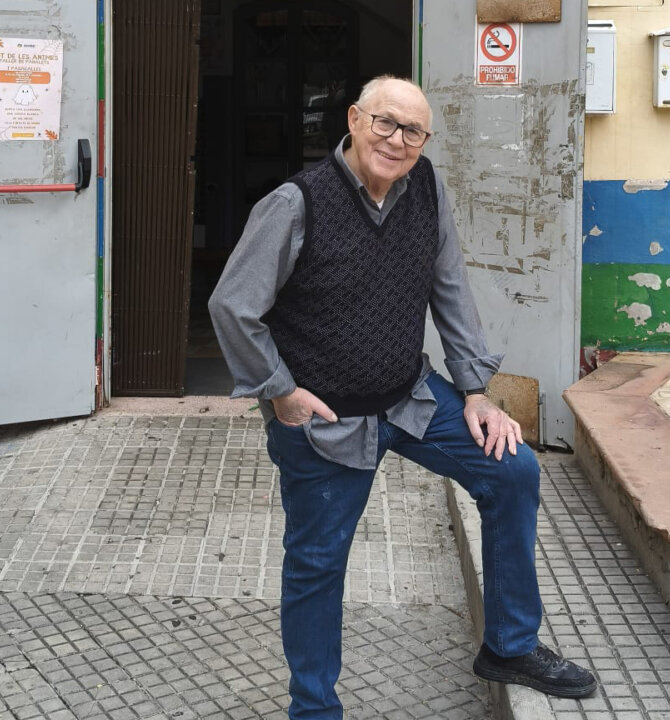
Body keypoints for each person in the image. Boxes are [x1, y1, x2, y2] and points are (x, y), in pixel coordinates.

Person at [208, 75, 597, 719]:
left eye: (412, 130)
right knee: (317, 564)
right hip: (326, 419)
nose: (396, 140)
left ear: (425, 141)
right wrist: (279, 393)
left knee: (514, 471)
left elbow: (450, 289)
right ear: (356, 121)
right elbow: (233, 305)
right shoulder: (296, 202)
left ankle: (509, 645)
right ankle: (313, 708)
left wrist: (475, 390)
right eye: (385, 123)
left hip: (410, 399)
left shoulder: (428, 191)